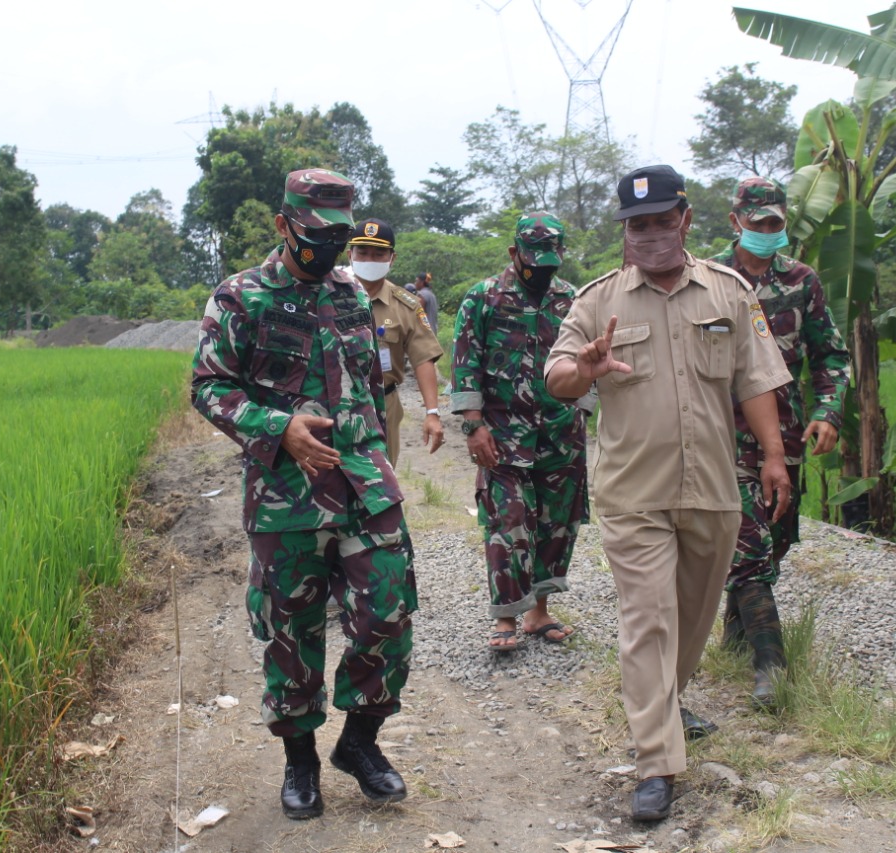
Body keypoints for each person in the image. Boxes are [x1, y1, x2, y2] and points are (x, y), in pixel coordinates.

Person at [545, 165, 792, 823]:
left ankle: (664, 699)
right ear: (625, 231)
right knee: (648, 617)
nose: (651, 235)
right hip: (634, 493)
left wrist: (772, 455)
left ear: (684, 219)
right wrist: (585, 369)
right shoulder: (598, 301)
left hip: (712, 487)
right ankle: (656, 760)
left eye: (662, 221)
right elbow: (558, 376)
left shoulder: (730, 292)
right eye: (638, 225)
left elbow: (755, 380)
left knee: (691, 616)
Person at [191, 169, 415, 820]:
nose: (327, 249)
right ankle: (300, 762)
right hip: (285, 493)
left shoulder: (350, 293)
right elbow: (208, 387)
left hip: (362, 483)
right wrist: (276, 426)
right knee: (291, 630)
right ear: (284, 225)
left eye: (338, 236)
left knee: (389, 606)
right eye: (315, 235)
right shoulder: (240, 297)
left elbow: (369, 381)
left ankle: (360, 743)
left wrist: (375, 451)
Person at [709, 176, 851, 709]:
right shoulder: (711, 279)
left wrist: (827, 411)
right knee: (746, 546)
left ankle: (736, 633)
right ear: (736, 221)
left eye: (775, 223)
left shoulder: (801, 280)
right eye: (758, 222)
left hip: (784, 436)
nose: (768, 231)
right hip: (721, 435)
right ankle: (772, 666)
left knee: (775, 539)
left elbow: (830, 357)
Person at [452, 211, 594, 652]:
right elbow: (466, 365)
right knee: (508, 521)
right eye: (533, 262)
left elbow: (588, 361)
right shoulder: (483, 299)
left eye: (550, 263)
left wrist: (583, 414)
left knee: (557, 524)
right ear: (514, 253)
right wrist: (473, 427)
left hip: (560, 433)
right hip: (502, 436)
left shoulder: (574, 300)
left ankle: (540, 612)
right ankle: (507, 617)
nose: (541, 270)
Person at [348, 219, 445, 467]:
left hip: (383, 404)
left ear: (392, 258)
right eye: (363, 252)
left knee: (381, 477)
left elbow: (423, 358)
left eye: (379, 253)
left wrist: (432, 413)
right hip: (333, 401)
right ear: (350, 254)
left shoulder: (406, 306)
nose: (370, 259)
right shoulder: (325, 296)